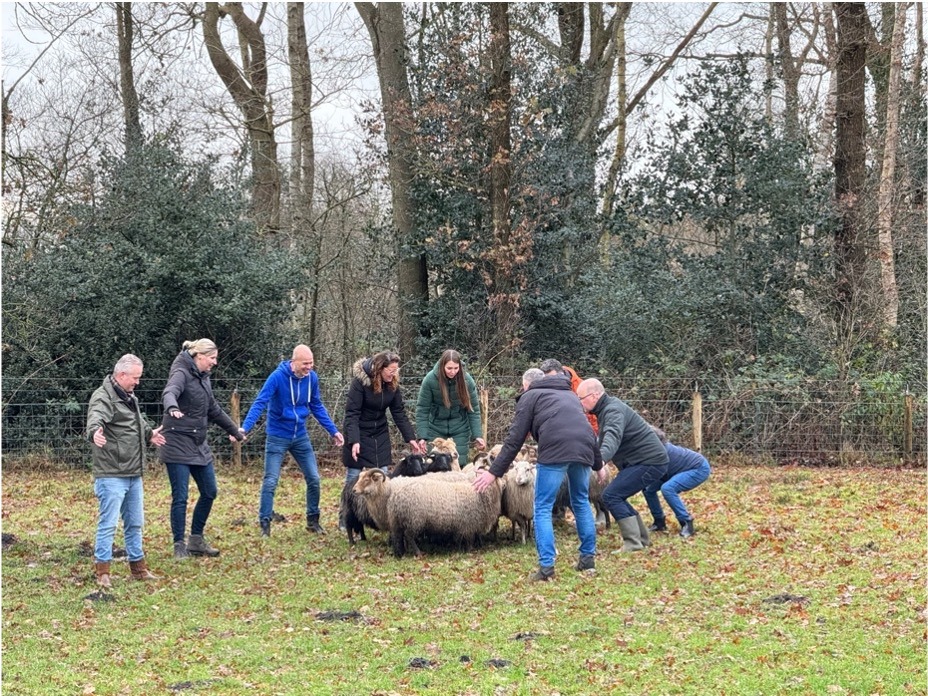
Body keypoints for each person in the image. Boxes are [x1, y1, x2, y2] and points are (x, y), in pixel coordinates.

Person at [474, 368, 605, 581]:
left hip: (554, 451)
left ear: (527, 385)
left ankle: (546, 567)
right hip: (583, 449)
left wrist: (493, 473)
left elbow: (514, 440)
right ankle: (587, 559)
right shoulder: (570, 395)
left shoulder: (530, 396)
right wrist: (598, 465)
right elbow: (587, 431)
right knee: (580, 501)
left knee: (542, 506)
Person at [241, 345, 344, 537]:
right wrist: (244, 428)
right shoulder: (277, 377)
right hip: (277, 436)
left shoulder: (312, 378)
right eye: (305, 364)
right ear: (293, 362)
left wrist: (333, 431)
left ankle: (313, 520)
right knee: (271, 480)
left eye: (311, 363)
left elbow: (316, 405)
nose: (309, 367)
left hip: (300, 436)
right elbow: (260, 402)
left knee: (314, 478)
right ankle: (265, 522)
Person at [86, 354, 166, 589]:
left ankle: (138, 569)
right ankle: (103, 572)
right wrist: (94, 433)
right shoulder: (103, 397)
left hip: (133, 472)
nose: (137, 382)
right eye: (135, 378)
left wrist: (149, 433)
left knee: (135, 522)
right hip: (111, 472)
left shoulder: (129, 397)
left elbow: (136, 423)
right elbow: (95, 418)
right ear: (121, 375)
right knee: (108, 523)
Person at [160, 339, 244, 559]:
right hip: (177, 442)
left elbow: (213, 409)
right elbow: (170, 392)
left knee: (210, 491)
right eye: (212, 358)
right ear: (199, 356)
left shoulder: (203, 378)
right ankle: (179, 544)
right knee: (181, 496)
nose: (214, 363)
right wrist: (172, 407)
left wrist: (235, 431)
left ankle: (196, 540)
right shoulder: (181, 372)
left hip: (198, 443)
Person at [577, 378, 668, 553]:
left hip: (650, 461)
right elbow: (603, 439)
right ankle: (641, 539)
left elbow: (612, 436)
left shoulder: (612, 410)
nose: (580, 403)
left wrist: (600, 461)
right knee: (616, 495)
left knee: (611, 495)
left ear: (595, 395)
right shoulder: (607, 409)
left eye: (582, 398)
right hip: (643, 461)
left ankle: (633, 543)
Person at [341, 351, 425, 490]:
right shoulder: (360, 383)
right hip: (358, 432)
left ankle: (381, 510)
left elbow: (398, 412)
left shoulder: (392, 383)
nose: (394, 374)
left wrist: (411, 438)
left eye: (396, 370)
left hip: (380, 433)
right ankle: (348, 511)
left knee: (383, 477)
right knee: (353, 478)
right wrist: (354, 440)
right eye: (391, 370)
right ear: (380, 368)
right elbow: (352, 414)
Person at [415, 349, 486, 466]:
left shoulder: (467, 380)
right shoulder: (430, 380)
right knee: (435, 465)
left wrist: (477, 435)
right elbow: (422, 409)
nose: (453, 372)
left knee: (459, 463)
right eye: (449, 368)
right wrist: (422, 436)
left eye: (456, 368)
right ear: (442, 366)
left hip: (460, 428)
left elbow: (473, 411)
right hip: (435, 428)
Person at [643, 426, 711, 538]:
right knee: (648, 489)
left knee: (668, 488)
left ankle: (686, 523)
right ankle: (659, 522)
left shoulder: (660, 452)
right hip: (672, 471)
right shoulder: (653, 451)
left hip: (698, 468)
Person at [539, 359, 598, 433]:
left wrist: (592, 437)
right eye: (548, 379)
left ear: (561, 373)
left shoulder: (582, 388)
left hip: (582, 432)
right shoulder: (543, 387)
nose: (551, 382)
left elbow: (593, 417)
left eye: (553, 378)